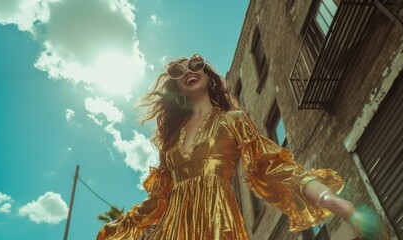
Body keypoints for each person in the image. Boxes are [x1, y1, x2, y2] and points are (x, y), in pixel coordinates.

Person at [96, 54, 364, 240]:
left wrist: (326, 197)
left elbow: (272, 166)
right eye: (179, 71)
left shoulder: (232, 120)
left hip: (217, 223)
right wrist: (118, 228)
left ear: (208, 75)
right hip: (173, 229)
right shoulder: (170, 143)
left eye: (195, 64)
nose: (189, 71)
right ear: (177, 88)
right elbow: (157, 201)